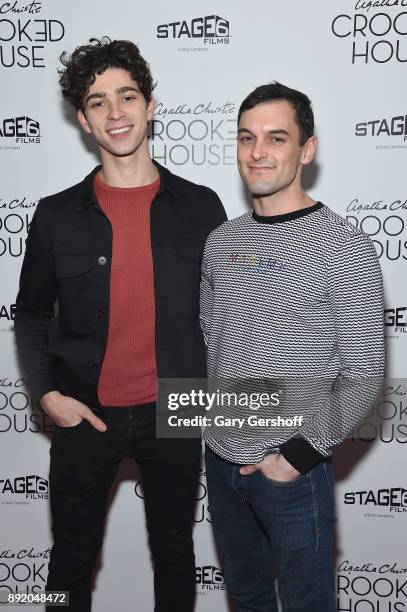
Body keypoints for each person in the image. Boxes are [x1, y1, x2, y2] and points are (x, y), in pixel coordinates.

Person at [14, 37, 226, 612]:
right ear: (83, 119)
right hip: (85, 412)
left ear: (150, 105)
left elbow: (226, 315)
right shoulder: (56, 215)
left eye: (127, 96)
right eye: (99, 102)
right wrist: (47, 393)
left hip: (176, 409)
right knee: (69, 561)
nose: (116, 113)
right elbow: (31, 313)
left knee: (176, 553)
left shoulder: (202, 206)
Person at [200, 82, 384, 611]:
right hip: (221, 461)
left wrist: (294, 458)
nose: (258, 152)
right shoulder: (222, 242)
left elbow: (364, 372)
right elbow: (214, 343)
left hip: (292, 473)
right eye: (246, 137)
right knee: (248, 600)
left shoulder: (342, 243)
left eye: (276, 138)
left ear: (307, 150)